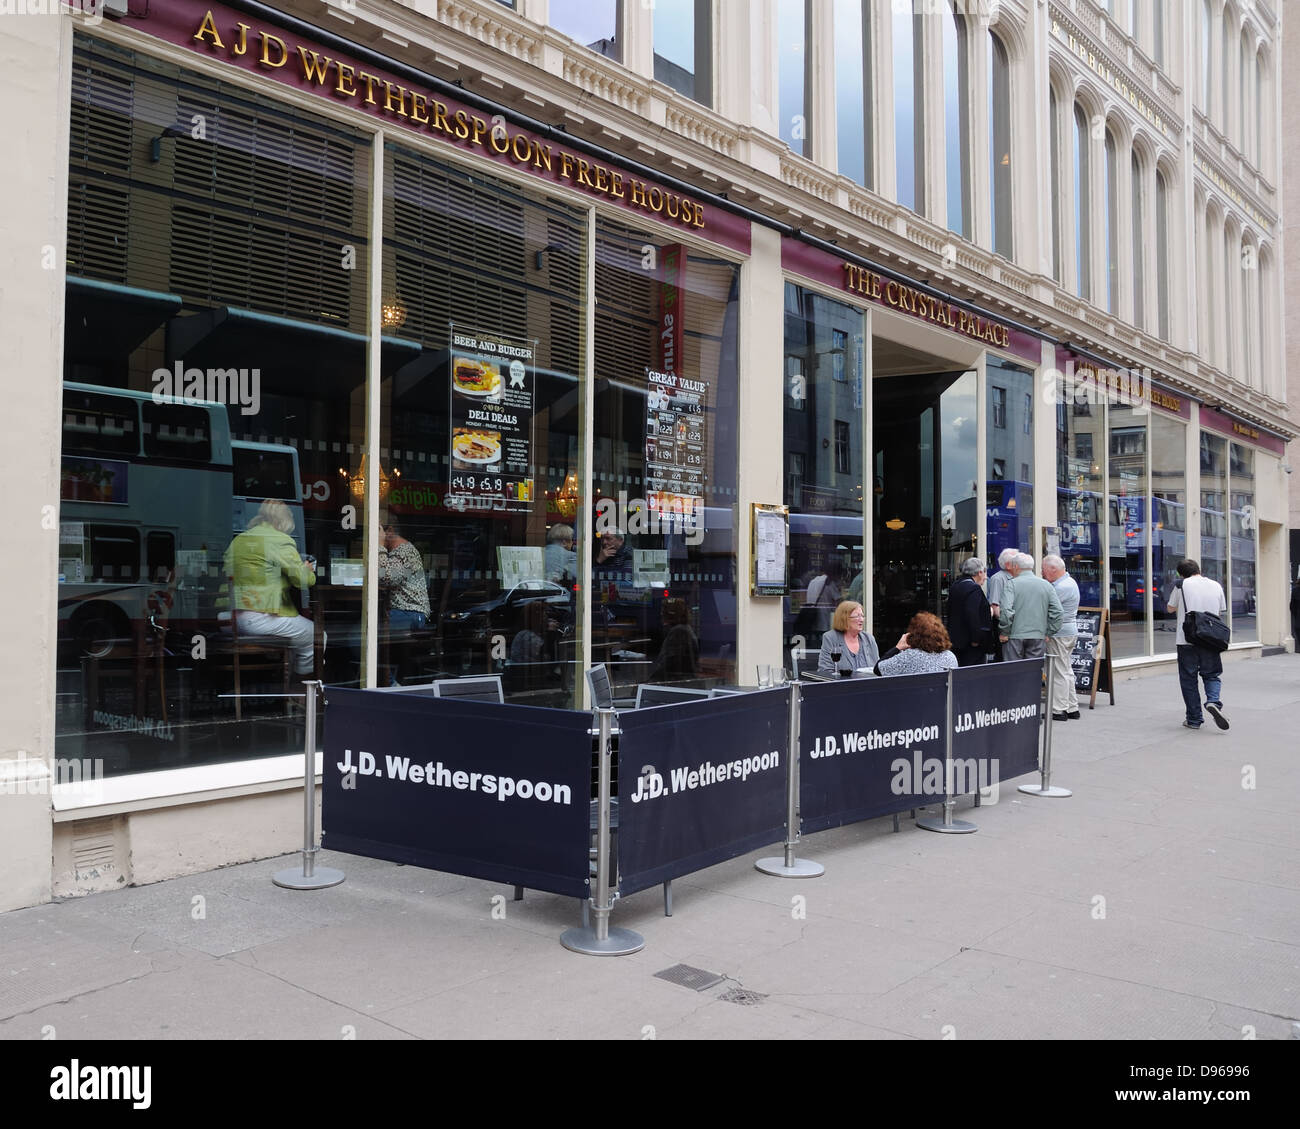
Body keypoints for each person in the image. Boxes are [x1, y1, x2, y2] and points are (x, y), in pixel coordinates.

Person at [223, 499, 317, 676]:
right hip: (260, 619)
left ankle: (281, 680)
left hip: (231, 618)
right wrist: (307, 569)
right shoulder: (280, 540)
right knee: (316, 635)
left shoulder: (240, 539)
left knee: (292, 637)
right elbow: (303, 581)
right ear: (282, 520)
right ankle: (303, 685)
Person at [1167, 558, 1229, 731]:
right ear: (1199, 570)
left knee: (1189, 679)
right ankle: (1213, 701)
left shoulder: (1181, 585)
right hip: (1210, 638)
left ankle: (1194, 720)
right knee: (1212, 674)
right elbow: (1219, 611)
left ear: (1181, 573)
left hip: (1187, 639)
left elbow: (1170, 608)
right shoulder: (1216, 585)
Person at [997, 553, 1063, 661]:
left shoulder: (1012, 584)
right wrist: (1049, 632)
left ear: (1016, 567)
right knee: (1033, 672)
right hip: (1038, 636)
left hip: (1014, 636)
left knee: (1013, 672)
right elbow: (1058, 612)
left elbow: (1006, 610)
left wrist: (1004, 632)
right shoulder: (1047, 585)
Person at [1042, 553, 1081, 721]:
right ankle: (1072, 707)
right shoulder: (1068, 582)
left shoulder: (1061, 587)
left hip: (1059, 633)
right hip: (1068, 631)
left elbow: (1048, 609)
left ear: (1053, 569)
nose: (1042, 574)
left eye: (1044, 570)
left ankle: (1058, 710)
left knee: (1058, 672)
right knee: (1065, 670)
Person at [378, 517, 431, 632]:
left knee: (360, 633)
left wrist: (380, 545)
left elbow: (386, 577)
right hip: (403, 611)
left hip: (410, 612)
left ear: (390, 531)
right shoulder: (397, 552)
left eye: (378, 530)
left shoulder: (404, 551)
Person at [875, 612, 958, 676]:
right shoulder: (950, 656)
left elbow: (878, 669)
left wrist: (898, 647)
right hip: (943, 698)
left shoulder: (910, 656)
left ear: (914, 634)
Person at [947, 557, 992, 667]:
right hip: (970, 644)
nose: (985, 578)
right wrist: (976, 639)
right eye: (984, 573)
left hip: (956, 640)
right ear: (980, 572)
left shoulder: (956, 585)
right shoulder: (974, 588)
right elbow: (972, 614)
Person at [817, 600, 879, 675]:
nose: (861, 620)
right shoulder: (830, 638)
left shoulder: (868, 638)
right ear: (844, 619)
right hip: (842, 685)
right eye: (857, 616)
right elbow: (825, 671)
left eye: (862, 616)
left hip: (869, 685)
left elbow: (877, 668)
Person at [650, 598, 699, 681]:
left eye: (664, 610)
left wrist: (650, 682)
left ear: (672, 614)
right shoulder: (683, 629)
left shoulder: (679, 631)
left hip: (678, 683)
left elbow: (669, 663)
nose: (661, 614)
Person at [985, 547, 1020, 662]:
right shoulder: (998, 579)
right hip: (1004, 626)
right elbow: (995, 606)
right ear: (1008, 564)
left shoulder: (1019, 578)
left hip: (1017, 627)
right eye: (1017, 561)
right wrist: (1007, 624)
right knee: (1005, 657)